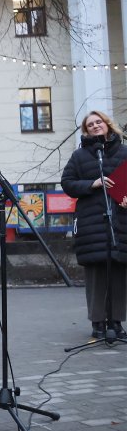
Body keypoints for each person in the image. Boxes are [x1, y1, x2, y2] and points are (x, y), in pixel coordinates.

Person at [61, 110, 127, 340]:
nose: (96, 126)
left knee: (118, 273)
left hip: (120, 222)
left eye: (99, 122)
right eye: (91, 124)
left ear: (107, 125)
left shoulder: (124, 152)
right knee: (97, 275)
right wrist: (93, 183)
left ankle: (116, 323)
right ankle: (98, 323)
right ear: (86, 130)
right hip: (91, 223)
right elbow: (67, 183)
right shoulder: (80, 156)